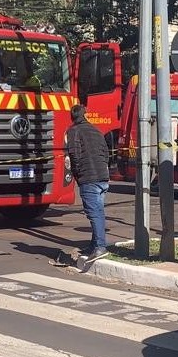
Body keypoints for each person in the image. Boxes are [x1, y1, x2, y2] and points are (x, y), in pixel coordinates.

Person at [66, 103, 110, 262]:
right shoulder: (96, 130)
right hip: (103, 177)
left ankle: (100, 247)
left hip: (89, 178)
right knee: (98, 211)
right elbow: (106, 153)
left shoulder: (73, 131)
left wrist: (77, 174)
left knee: (94, 213)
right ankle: (94, 244)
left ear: (72, 117)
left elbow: (74, 155)